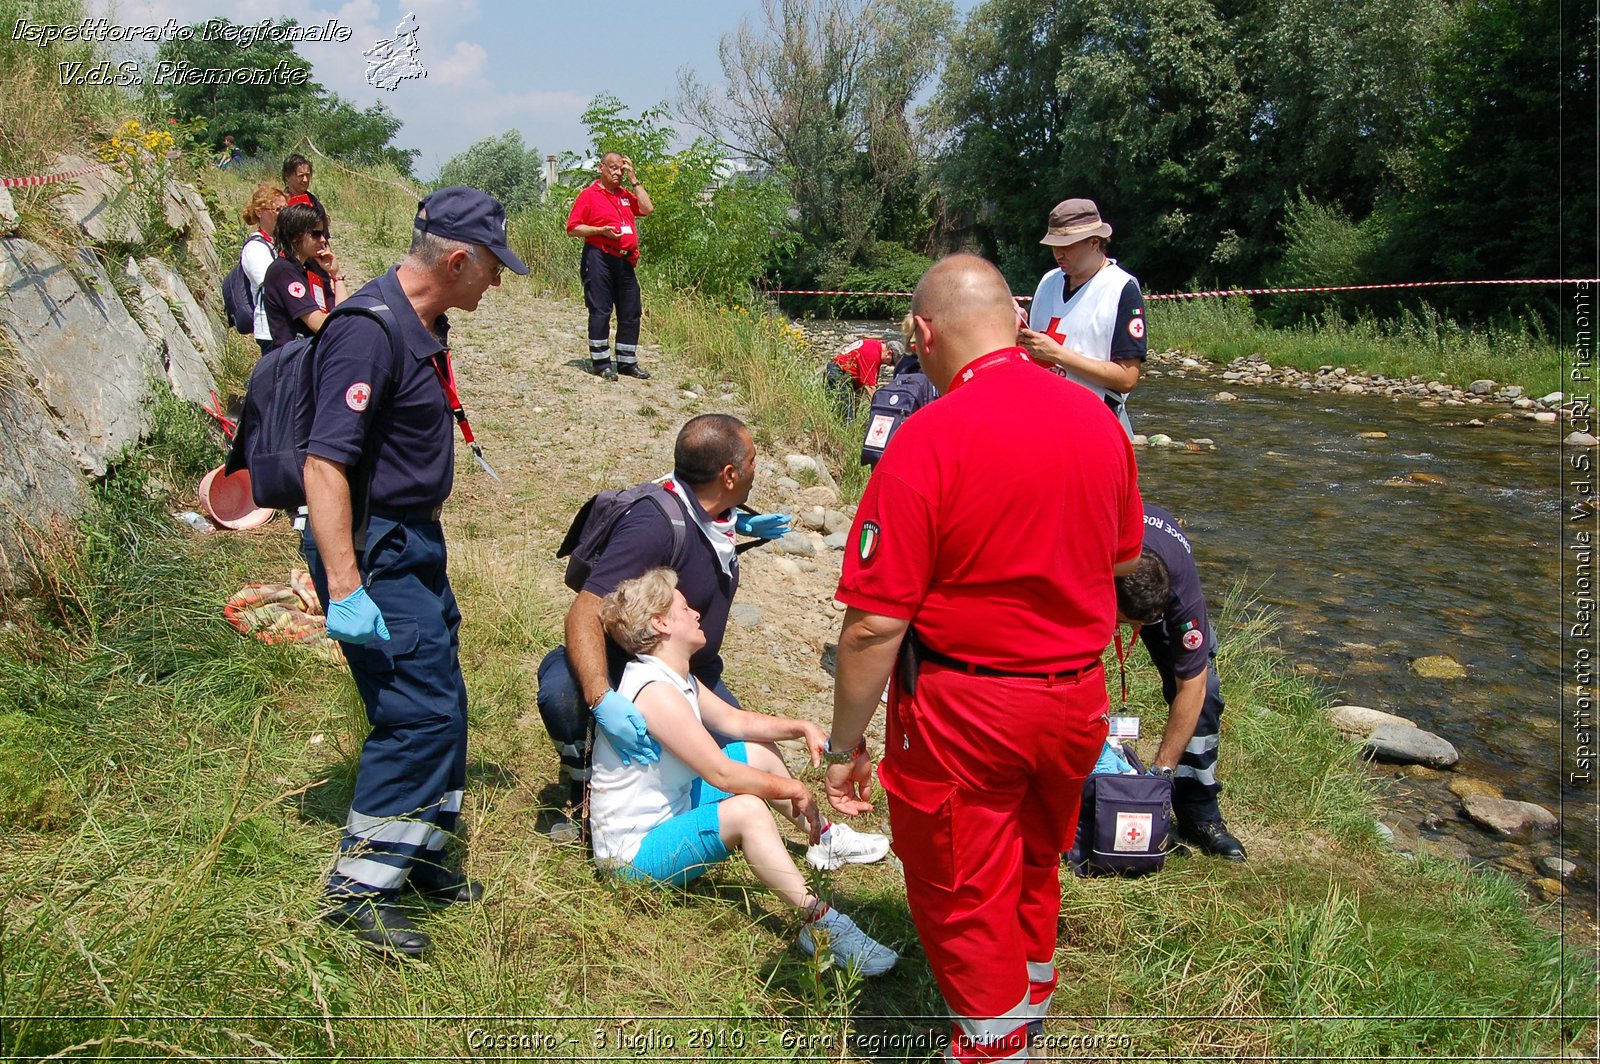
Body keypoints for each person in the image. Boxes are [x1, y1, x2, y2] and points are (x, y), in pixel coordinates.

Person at [824, 254, 1145, 1062]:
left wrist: (842, 748)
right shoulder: (1099, 422)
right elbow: (1119, 555)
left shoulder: (927, 434)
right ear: (1018, 323)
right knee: (1035, 860)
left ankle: (997, 1047)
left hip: (969, 709)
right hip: (1075, 699)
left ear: (924, 334)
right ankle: (1028, 1004)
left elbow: (872, 626)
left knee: (961, 888)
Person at [302, 185, 528, 959]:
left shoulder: (421, 323)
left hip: (412, 542)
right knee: (418, 711)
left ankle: (420, 850)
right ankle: (358, 890)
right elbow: (325, 463)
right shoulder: (368, 333)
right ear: (459, 260)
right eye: (495, 267)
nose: (498, 283)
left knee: (445, 695)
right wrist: (344, 584)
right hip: (375, 549)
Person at [591, 568, 897, 973]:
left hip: (673, 811)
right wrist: (791, 789)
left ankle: (823, 839)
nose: (697, 613)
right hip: (632, 857)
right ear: (661, 624)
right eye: (685, 607)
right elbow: (721, 775)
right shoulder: (655, 692)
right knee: (749, 811)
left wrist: (798, 727)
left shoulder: (672, 676)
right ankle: (820, 924)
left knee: (755, 751)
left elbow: (736, 723)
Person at [536, 418, 818, 839]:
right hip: (639, 667)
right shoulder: (653, 525)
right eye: (754, 460)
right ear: (729, 474)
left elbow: (702, 516)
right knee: (563, 694)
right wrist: (601, 698)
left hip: (694, 674)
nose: (758, 469)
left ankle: (823, 835)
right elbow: (584, 611)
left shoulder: (709, 510)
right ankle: (582, 783)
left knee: (742, 749)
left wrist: (738, 523)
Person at [1114, 503, 1246, 860]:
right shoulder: (1092, 555)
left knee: (1208, 693)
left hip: (1156, 583)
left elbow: (1194, 686)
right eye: (1124, 623)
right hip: (1101, 576)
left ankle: (1199, 814)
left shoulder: (1181, 591)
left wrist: (1161, 772)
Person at [1019, 198, 1147, 437]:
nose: (1058, 253)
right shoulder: (1048, 282)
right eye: (1054, 245)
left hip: (1094, 426)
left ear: (1094, 242)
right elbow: (1034, 352)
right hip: (1042, 421)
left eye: (1067, 245)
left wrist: (1056, 353)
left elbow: (1127, 377)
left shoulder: (1121, 289)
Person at [565, 151, 653, 380]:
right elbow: (573, 228)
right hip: (599, 257)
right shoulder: (589, 195)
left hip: (624, 259)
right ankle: (602, 363)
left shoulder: (625, 194)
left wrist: (634, 179)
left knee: (631, 311)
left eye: (621, 169)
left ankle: (626, 363)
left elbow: (647, 208)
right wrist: (600, 231)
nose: (617, 172)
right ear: (601, 168)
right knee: (601, 310)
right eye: (613, 168)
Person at [261, 199, 347, 351]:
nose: (323, 240)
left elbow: (343, 314)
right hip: (295, 362)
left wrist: (336, 275)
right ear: (295, 236)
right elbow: (321, 325)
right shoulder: (283, 272)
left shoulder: (311, 269)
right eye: (316, 234)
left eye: (323, 234)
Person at [239, 182, 286, 355]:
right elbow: (273, 283)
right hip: (270, 329)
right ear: (259, 212)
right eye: (277, 210)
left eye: (285, 210)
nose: (283, 216)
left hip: (285, 326)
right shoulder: (255, 248)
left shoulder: (279, 243)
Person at [824, 333, 903, 422]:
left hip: (845, 374)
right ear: (889, 353)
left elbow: (861, 384)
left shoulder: (878, 346)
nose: (889, 365)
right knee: (846, 415)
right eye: (892, 363)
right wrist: (883, 414)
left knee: (850, 414)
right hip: (837, 373)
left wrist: (855, 411)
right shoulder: (871, 354)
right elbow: (870, 389)